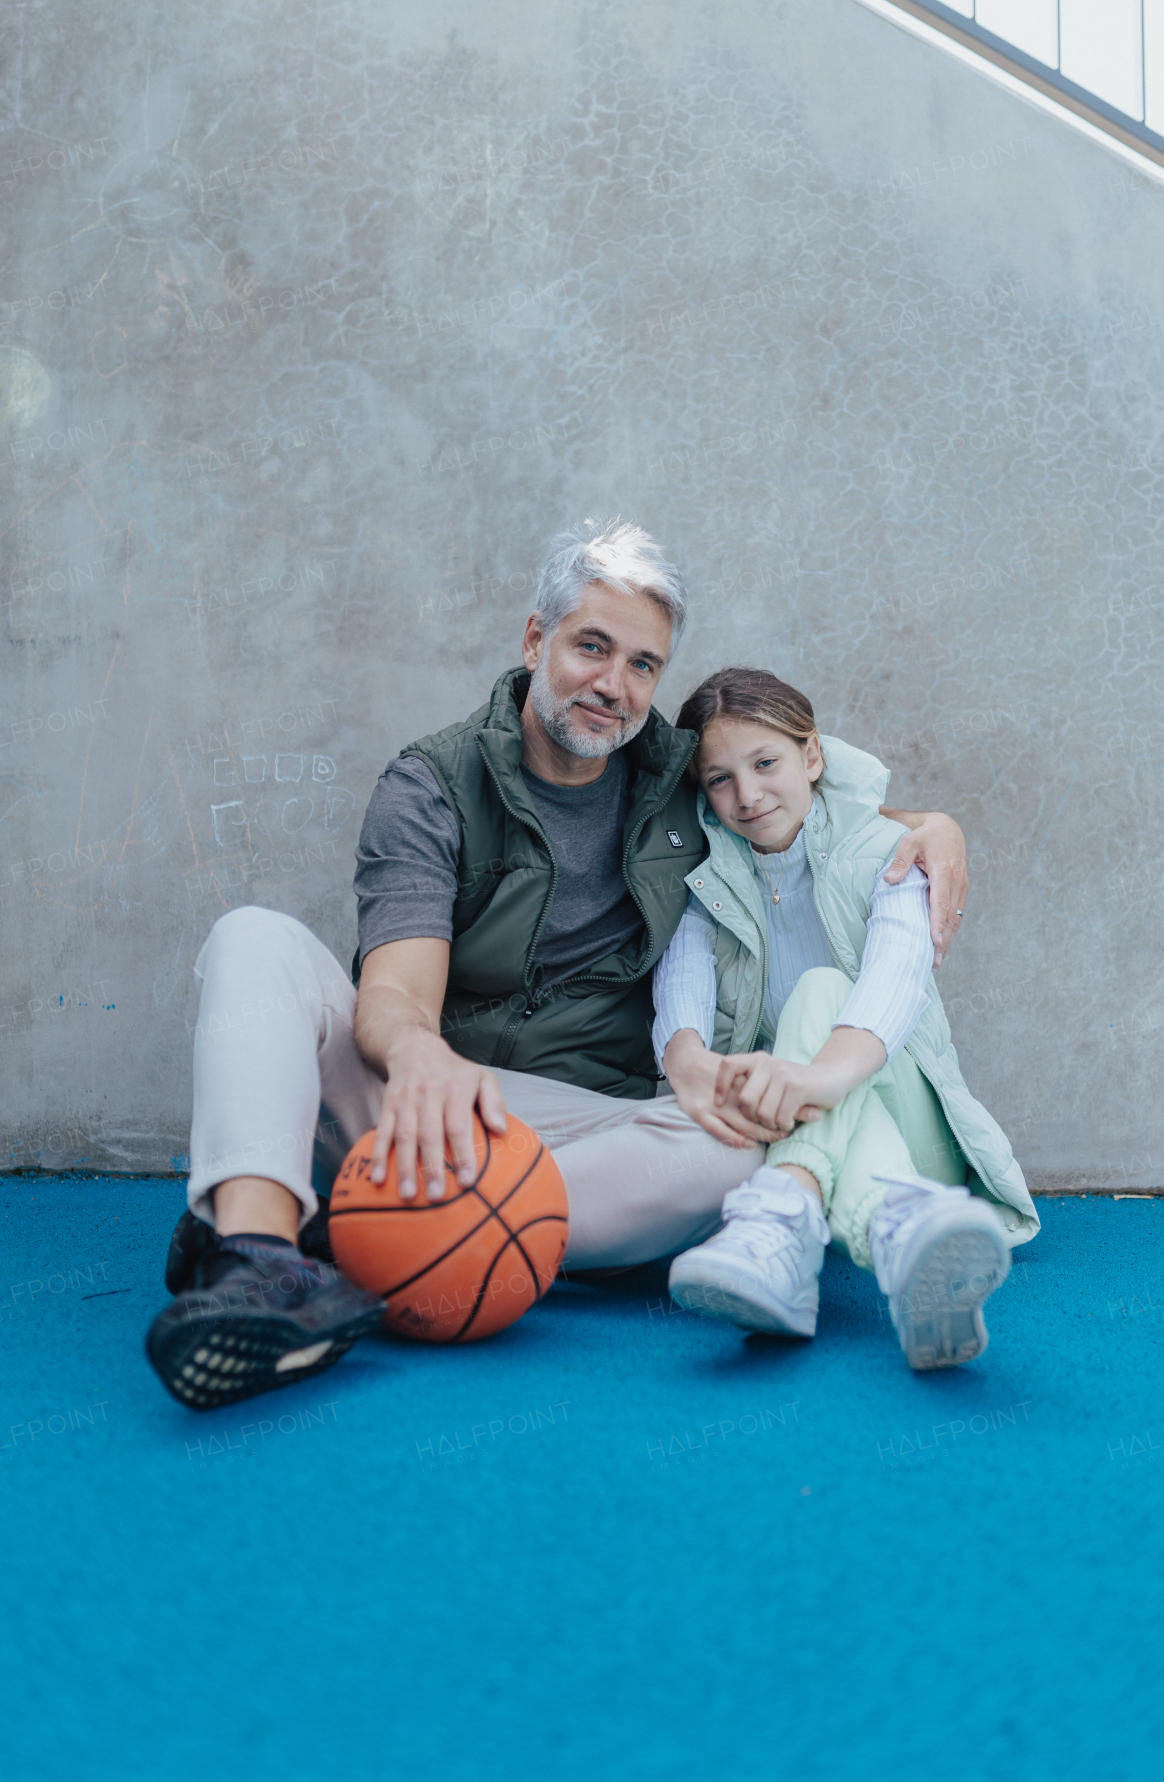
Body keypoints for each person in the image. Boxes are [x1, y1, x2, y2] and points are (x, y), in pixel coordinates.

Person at [145, 523, 972, 1410]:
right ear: (535, 639)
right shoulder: (432, 784)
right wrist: (422, 1055)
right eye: (591, 647)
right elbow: (392, 996)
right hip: (421, 1096)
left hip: (585, 1127)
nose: (614, 686)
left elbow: (799, 798)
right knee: (254, 938)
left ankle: (363, 1244)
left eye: (644, 665)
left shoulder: (678, 776)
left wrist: (933, 825)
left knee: (736, 1154)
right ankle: (263, 1263)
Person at [658, 667, 1039, 1368]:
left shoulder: (891, 854)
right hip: (798, 1124)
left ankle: (782, 1221)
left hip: (907, 1125)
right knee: (795, 1035)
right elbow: (683, 977)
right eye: (720, 778)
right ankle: (905, 1235)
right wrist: (692, 1063)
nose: (747, 795)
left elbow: (896, 977)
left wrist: (819, 1081)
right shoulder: (708, 876)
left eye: (766, 762)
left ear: (812, 756)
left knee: (822, 989)